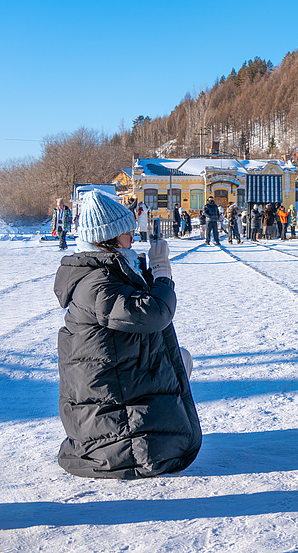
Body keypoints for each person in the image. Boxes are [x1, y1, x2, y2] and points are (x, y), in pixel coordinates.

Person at [52, 191, 202, 478]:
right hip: (106, 412)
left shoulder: (106, 272)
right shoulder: (96, 282)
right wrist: (162, 274)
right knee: (175, 365)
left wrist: (145, 274)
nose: (133, 237)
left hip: (113, 386)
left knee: (178, 360)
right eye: (127, 232)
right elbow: (152, 314)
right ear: (107, 238)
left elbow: (134, 312)